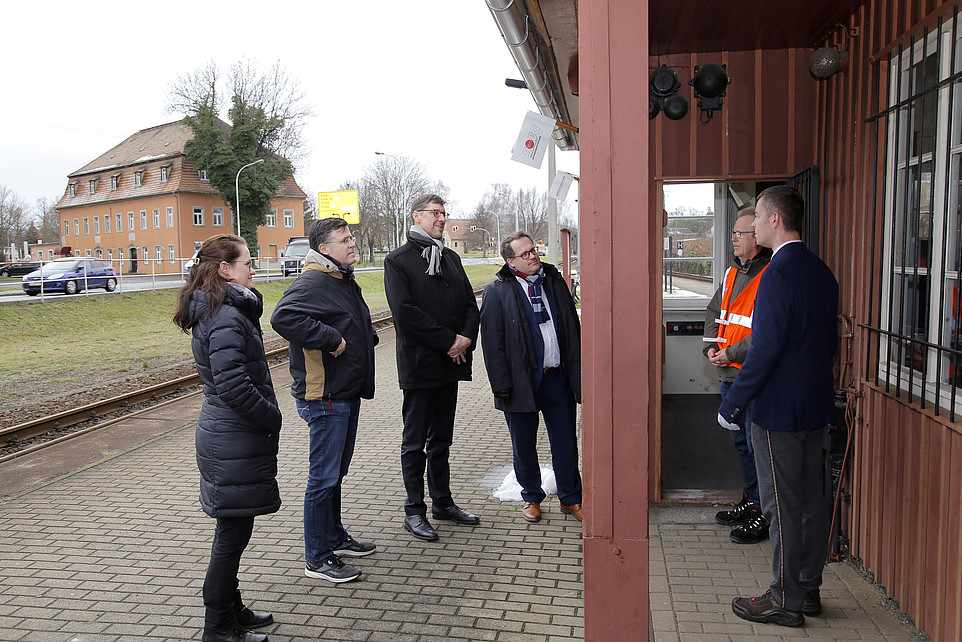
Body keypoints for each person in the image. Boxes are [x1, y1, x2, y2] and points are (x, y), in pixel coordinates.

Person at [718, 186, 838, 628]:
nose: (751, 227)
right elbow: (825, 345)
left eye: (756, 219)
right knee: (810, 502)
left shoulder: (776, 275)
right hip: (815, 406)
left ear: (773, 220)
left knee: (780, 506)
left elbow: (766, 349)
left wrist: (733, 403)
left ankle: (785, 599)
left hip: (779, 414)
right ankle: (807, 588)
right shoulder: (821, 271)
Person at [173, 233, 279, 642]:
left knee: (234, 531)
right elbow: (233, 385)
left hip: (229, 436)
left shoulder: (225, 309)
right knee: (231, 535)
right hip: (232, 436)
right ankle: (218, 627)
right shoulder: (225, 316)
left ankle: (231, 609)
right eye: (246, 262)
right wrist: (271, 416)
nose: (253, 269)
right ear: (224, 269)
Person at [271, 217, 378, 584]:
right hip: (325, 396)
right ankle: (317, 557)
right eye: (344, 240)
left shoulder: (341, 277)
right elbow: (283, 317)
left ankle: (334, 537)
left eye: (351, 238)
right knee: (323, 478)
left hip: (345, 392)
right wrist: (330, 338)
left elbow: (351, 321)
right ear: (323, 248)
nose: (352, 244)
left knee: (335, 474)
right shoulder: (314, 280)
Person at [384, 194, 481, 541]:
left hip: (450, 364)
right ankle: (414, 510)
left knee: (442, 439)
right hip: (421, 365)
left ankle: (442, 501)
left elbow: (471, 303)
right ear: (417, 216)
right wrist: (449, 341)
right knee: (415, 442)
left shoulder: (451, 258)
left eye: (444, 213)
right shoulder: (398, 261)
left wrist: (465, 338)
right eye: (436, 213)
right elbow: (406, 314)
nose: (442, 218)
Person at [479, 232, 583, 523]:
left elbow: (571, 329)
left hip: (557, 378)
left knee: (565, 441)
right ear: (510, 261)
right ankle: (531, 497)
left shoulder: (554, 282)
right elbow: (492, 344)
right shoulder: (497, 291)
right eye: (524, 254)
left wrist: (576, 373)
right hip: (519, 382)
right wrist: (501, 387)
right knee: (523, 444)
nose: (533, 256)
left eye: (534, 250)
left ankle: (571, 498)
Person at [703, 207, 772, 544]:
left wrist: (731, 353)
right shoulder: (733, 273)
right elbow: (715, 313)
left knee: (756, 443)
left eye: (738, 233)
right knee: (741, 442)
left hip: (751, 376)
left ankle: (763, 511)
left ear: (755, 238)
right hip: (728, 374)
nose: (732, 238)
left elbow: (763, 332)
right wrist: (711, 350)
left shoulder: (770, 275)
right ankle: (753, 500)